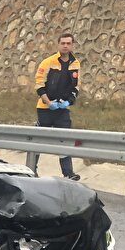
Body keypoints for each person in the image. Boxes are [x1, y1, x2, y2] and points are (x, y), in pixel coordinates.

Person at [33, 32, 81, 180]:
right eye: (63, 43)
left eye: (68, 43)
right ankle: (31, 169)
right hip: (45, 108)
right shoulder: (47, 62)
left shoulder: (75, 64)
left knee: (64, 140)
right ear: (58, 44)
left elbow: (76, 87)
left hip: (62, 109)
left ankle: (68, 173)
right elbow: (39, 85)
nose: (65, 46)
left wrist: (68, 102)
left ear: (72, 45)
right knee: (38, 141)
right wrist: (49, 102)